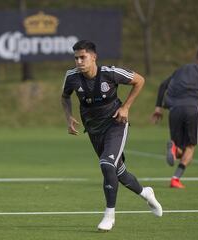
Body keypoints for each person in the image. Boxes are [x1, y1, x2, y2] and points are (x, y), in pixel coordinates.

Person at [61, 40, 162, 231]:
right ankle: (146, 193)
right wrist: (69, 118)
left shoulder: (110, 73)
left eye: (83, 57)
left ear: (94, 57)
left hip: (116, 124)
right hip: (93, 129)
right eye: (76, 58)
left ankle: (109, 215)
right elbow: (65, 96)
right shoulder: (72, 77)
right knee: (118, 172)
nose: (79, 61)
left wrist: (126, 107)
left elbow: (139, 80)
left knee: (106, 165)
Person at [151, 46, 198, 189]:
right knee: (190, 147)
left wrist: (158, 108)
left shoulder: (181, 69)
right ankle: (175, 179)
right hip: (192, 109)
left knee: (180, 149)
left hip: (174, 109)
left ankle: (173, 149)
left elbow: (163, 85)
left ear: (197, 57)